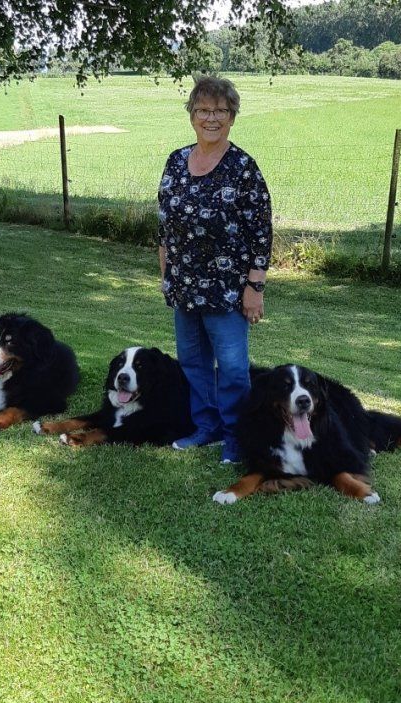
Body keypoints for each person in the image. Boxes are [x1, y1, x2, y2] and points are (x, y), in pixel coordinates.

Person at [157, 76, 272, 465]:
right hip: (184, 286)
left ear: (232, 117)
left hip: (227, 289)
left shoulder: (243, 168)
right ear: (191, 115)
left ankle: (238, 437)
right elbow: (164, 225)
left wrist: (255, 287)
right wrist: (166, 275)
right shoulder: (175, 161)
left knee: (235, 369)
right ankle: (206, 428)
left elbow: (261, 231)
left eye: (220, 111)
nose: (211, 117)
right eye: (203, 110)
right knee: (192, 362)